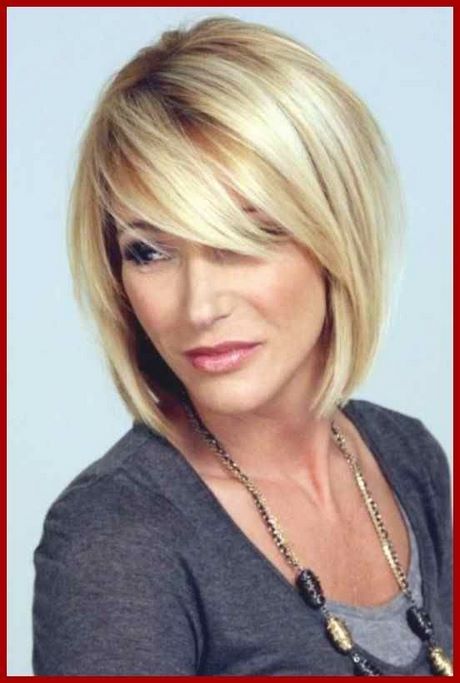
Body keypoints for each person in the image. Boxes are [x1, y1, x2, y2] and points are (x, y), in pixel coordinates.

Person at [32, 15, 452, 676]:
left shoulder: (410, 461)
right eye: (149, 251)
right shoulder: (116, 537)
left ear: (335, 235)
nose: (199, 307)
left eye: (240, 238)